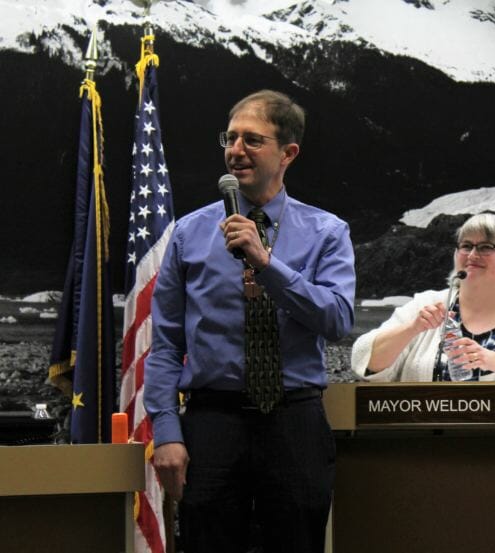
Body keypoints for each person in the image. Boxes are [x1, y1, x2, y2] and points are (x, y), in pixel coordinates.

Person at [144, 90, 355, 553]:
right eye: (231, 137)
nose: (236, 150)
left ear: (288, 153)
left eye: (253, 140)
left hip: (294, 423)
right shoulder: (189, 233)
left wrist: (267, 263)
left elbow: (337, 320)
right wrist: (165, 431)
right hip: (211, 424)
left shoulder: (327, 233)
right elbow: (164, 344)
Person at [351, 213, 495, 381]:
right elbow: (365, 362)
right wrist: (411, 329)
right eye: (466, 246)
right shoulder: (426, 304)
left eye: (485, 247)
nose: (472, 255)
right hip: (428, 436)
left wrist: (491, 360)